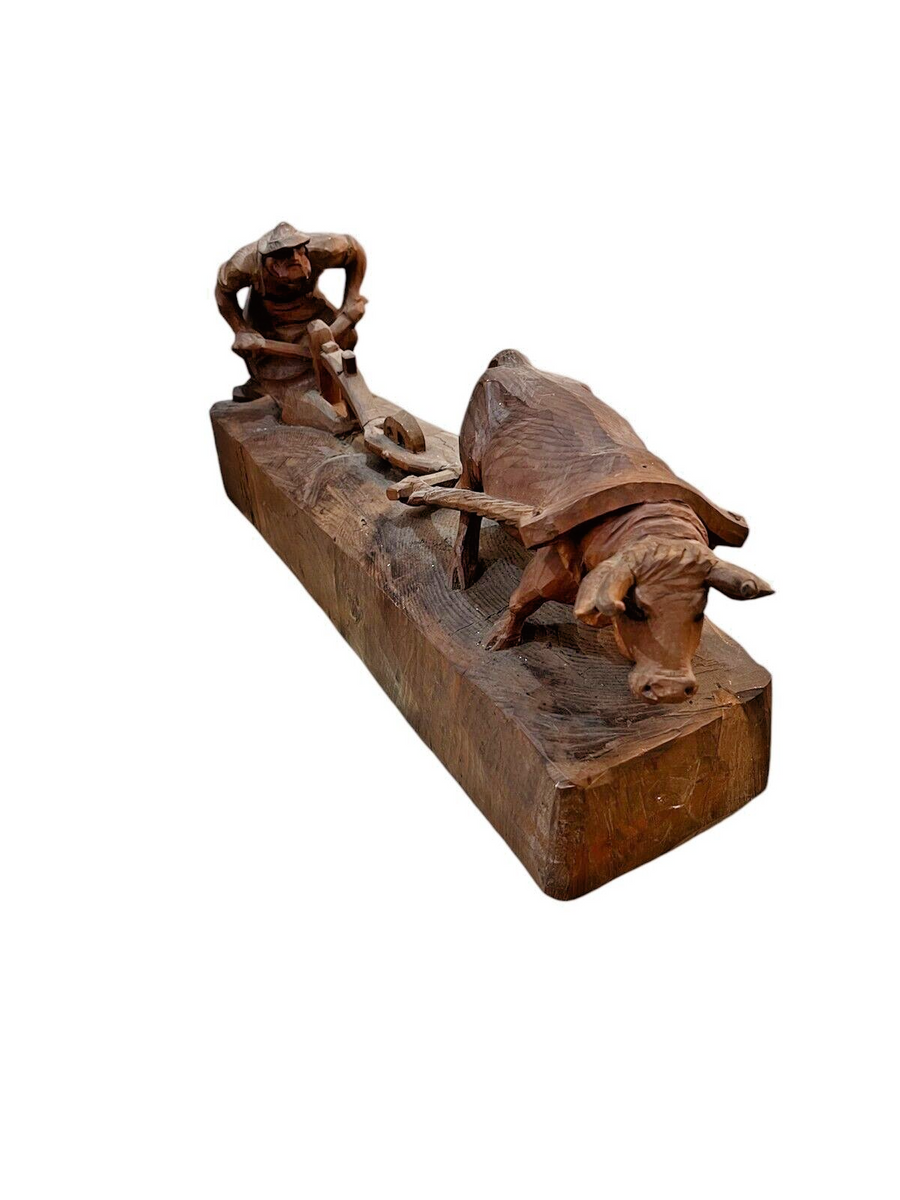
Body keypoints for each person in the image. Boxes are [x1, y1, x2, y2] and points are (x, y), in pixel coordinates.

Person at [215, 223, 367, 411]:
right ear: (272, 265)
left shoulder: (323, 247)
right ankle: (265, 388)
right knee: (265, 362)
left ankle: (338, 388)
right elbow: (223, 293)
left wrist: (352, 296)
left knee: (346, 337)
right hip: (268, 315)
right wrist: (241, 330)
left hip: (310, 306)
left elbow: (355, 251)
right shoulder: (243, 264)